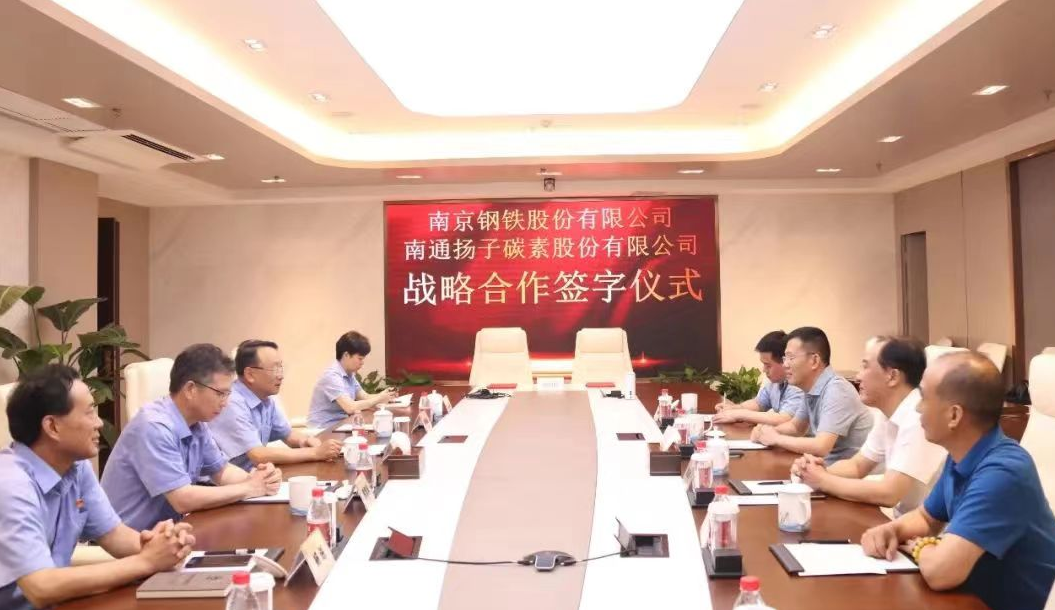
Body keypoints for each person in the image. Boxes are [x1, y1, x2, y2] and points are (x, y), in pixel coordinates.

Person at [861, 352, 1055, 610]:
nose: (917, 408)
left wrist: (922, 547)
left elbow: (941, 573)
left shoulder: (1003, 473)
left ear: (954, 415)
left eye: (924, 398)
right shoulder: (961, 454)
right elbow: (927, 518)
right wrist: (892, 530)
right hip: (970, 598)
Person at [0, 365, 194, 610]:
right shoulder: (10, 483)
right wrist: (147, 561)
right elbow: (41, 587)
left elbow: (114, 535)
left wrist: (163, 545)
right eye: (89, 413)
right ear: (52, 427)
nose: (99, 423)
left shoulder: (75, 466)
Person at [101, 344, 282, 531]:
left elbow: (222, 471)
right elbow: (182, 499)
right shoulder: (154, 426)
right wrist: (249, 488)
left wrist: (259, 479)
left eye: (228, 394)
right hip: (131, 539)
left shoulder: (197, 423)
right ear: (190, 389)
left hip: (170, 532)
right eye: (220, 394)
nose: (225, 403)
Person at [791, 336, 946, 516]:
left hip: (930, 530)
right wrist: (815, 471)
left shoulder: (919, 417)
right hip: (905, 521)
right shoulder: (888, 412)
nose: (858, 376)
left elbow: (889, 493)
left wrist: (822, 480)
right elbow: (857, 466)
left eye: (865, 366)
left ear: (892, 376)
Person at [209, 340, 341, 470]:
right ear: (250, 374)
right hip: (224, 481)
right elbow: (258, 455)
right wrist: (315, 453)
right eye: (274, 369)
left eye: (281, 368)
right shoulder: (232, 402)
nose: (281, 376)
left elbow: (288, 434)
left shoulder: (266, 398)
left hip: (254, 474)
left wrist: (306, 441)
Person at [751, 326, 872, 463]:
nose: (785, 365)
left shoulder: (837, 390)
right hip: (827, 467)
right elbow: (796, 427)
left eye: (790, 358)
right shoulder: (811, 389)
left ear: (814, 360)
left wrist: (776, 438)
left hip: (853, 473)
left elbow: (821, 446)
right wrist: (767, 432)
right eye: (785, 358)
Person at [308, 331, 398, 429]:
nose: (362, 363)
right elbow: (350, 407)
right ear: (346, 355)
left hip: (341, 425)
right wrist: (379, 399)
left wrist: (384, 395)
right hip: (323, 429)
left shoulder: (349, 374)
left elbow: (364, 396)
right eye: (360, 358)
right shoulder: (332, 376)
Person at [713, 330, 805, 426]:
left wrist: (740, 414)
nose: (764, 370)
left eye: (768, 365)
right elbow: (758, 403)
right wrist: (734, 408)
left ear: (784, 362)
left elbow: (784, 419)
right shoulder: (774, 382)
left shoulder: (798, 385)